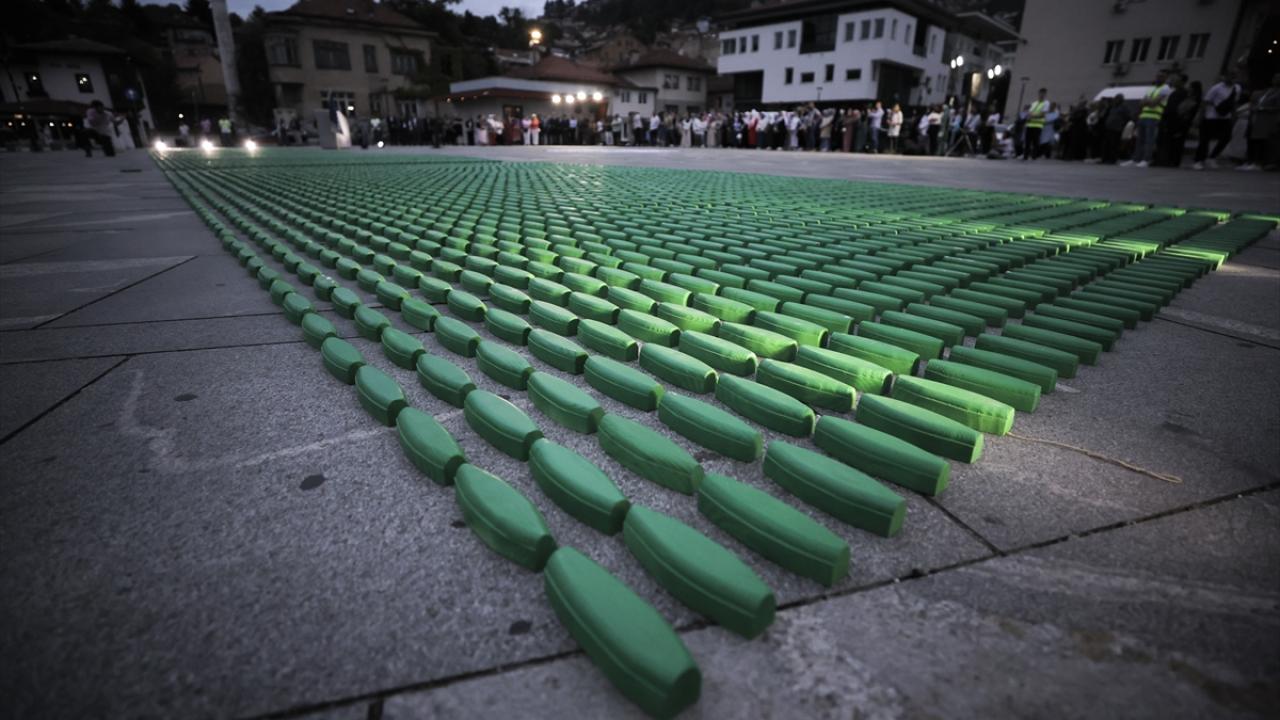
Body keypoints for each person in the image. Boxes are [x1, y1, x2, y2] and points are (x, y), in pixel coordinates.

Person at [1123, 70, 1171, 167]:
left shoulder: (1165, 88)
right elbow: (1141, 103)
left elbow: (1154, 103)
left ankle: (1146, 159)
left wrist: (1147, 101)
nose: (1158, 78)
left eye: (1161, 76)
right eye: (1157, 76)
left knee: (1149, 140)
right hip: (1143, 116)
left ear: (1165, 78)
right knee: (1139, 140)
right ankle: (1135, 159)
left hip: (1154, 117)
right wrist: (1148, 101)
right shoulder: (1151, 89)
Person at [1195, 73, 1241, 169]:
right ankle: (1199, 160)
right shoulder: (1216, 88)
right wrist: (1200, 117)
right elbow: (1205, 101)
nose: (1232, 79)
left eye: (1234, 77)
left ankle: (1212, 157)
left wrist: (1234, 116)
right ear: (1225, 77)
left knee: (1226, 138)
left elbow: (1234, 103)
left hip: (1225, 117)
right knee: (1205, 139)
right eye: (1230, 77)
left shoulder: (1237, 88)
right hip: (1211, 116)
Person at [1240, 73, 1280, 171]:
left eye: (1278, 78)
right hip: (1257, 118)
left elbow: (1277, 108)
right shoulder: (1269, 90)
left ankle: (1258, 163)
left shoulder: (1278, 93)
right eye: (1275, 77)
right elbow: (1258, 101)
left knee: (1261, 141)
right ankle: (1250, 161)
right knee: (1253, 140)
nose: (1275, 80)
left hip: (1267, 119)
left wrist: (1262, 108)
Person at [1025, 88, 1050, 159]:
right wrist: (1030, 115)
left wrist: (1032, 115)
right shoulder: (1034, 103)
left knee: (1035, 141)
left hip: (1038, 125)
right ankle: (1025, 156)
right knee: (1027, 141)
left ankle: (1034, 156)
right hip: (1029, 124)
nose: (1041, 95)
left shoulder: (1046, 103)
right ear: (1038, 93)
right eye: (1040, 93)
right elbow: (1029, 112)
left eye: (1043, 93)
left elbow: (1043, 114)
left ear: (1045, 94)